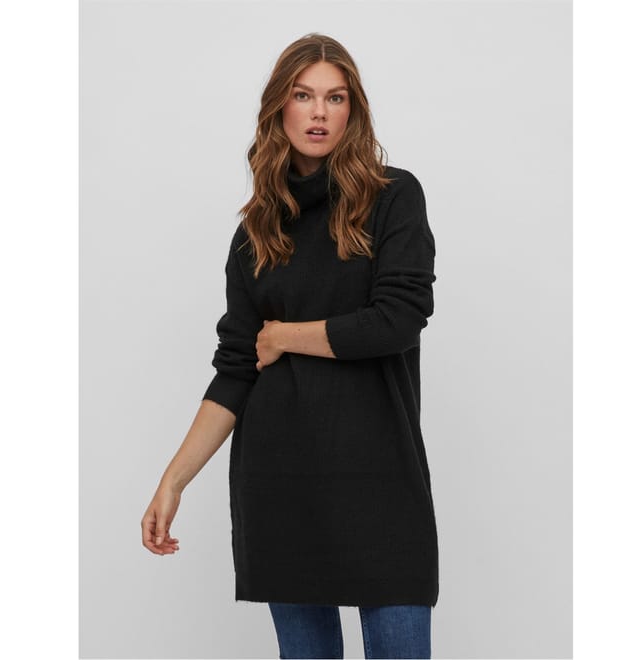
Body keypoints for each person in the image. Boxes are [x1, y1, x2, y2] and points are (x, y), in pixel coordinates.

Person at [141, 33, 439, 659]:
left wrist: (285, 335)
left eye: (336, 97)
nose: (319, 112)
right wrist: (173, 481)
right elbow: (236, 369)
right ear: (280, 107)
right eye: (304, 96)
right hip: (281, 481)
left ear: (353, 110)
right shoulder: (256, 232)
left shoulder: (393, 197)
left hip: (381, 479)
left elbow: (398, 320)